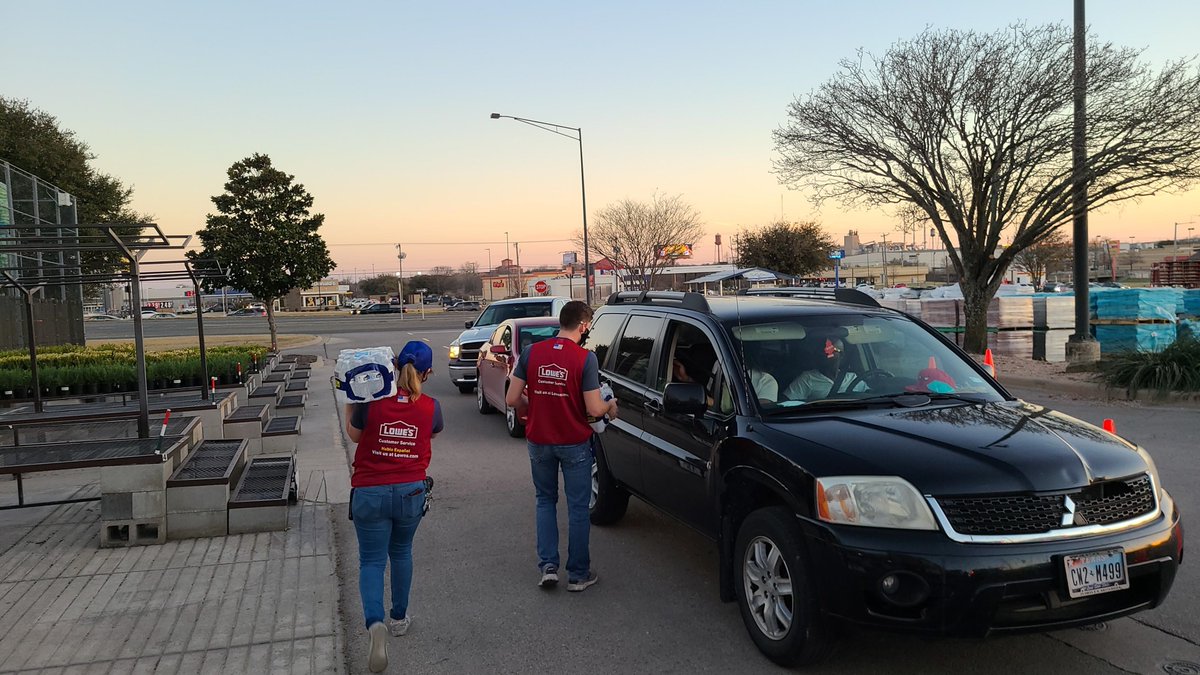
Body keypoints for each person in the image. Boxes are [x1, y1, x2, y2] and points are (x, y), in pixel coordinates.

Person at [344, 341, 443, 673]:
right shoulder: (432, 407)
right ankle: (399, 618)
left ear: (395, 365)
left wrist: (351, 402)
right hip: (410, 492)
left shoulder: (371, 403)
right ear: (427, 373)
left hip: (369, 492)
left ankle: (375, 624)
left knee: (371, 561)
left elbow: (355, 437)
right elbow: (431, 432)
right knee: (401, 552)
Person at [507, 300, 618, 592]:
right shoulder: (585, 358)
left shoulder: (532, 353)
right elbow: (593, 406)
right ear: (582, 325)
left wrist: (535, 403)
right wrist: (610, 406)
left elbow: (511, 399)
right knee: (578, 508)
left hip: (539, 441)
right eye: (588, 326)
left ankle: (548, 567)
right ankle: (579, 575)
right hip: (574, 443)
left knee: (545, 501)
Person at [782, 336, 863, 401]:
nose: (825, 353)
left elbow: (870, 395)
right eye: (822, 350)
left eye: (830, 349)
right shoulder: (807, 378)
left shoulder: (853, 378)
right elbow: (787, 403)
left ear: (841, 355)